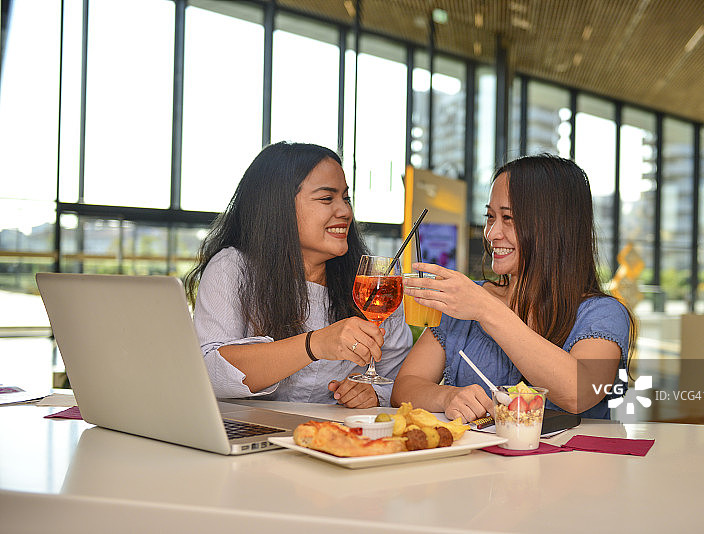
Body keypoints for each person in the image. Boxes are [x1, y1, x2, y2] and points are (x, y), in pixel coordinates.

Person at [391, 154, 635, 421]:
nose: (492, 233)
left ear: (554, 226)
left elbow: (579, 393)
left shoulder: (602, 314)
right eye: (490, 217)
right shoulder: (465, 302)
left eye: (508, 218)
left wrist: (486, 310)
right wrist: (446, 396)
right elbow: (405, 387)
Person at [185, 142, 412, 408]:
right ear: (277, 206)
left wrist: (374, 393)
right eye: (327, 198)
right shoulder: (233, 268)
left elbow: (401, 377)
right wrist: (315, 344)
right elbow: (209, 374)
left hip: (338, 438)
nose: (345, 211)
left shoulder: (370, 284)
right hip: (249, 434)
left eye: (345, 198)